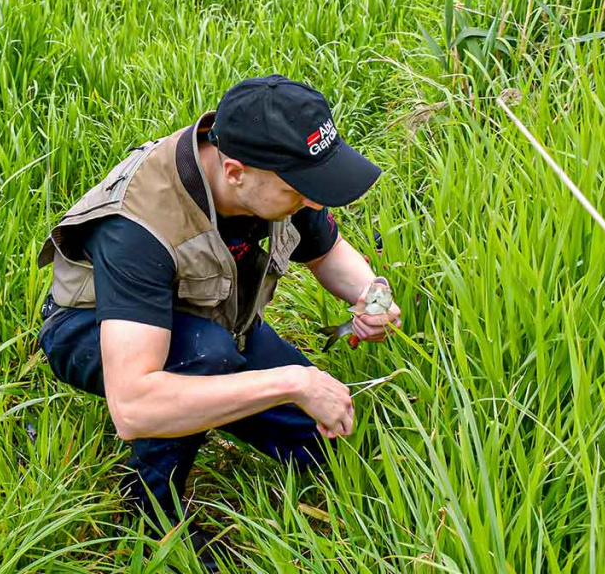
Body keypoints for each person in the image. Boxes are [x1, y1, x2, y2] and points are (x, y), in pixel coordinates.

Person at [35, 74, 401, 571]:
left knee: (327, 446)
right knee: (205, 358)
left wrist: (370, 294)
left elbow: (328, 251)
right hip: (91, 324)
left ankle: (224, 386)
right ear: (234, 171)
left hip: (214, 319)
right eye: (304, 191)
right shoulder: (139, 226)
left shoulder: (273, 175)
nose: (315, 202)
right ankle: (152, 517)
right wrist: (292, 380)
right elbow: (134, 406)